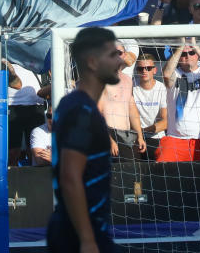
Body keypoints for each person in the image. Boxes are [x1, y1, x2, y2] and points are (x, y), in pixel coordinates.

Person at [46, 27, 125, 253]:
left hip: (80, 231)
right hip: (77, 235)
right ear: (92, 62)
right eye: (112, 55)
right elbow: (70, 175)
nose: (120, 61)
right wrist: (87, 240)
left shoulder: (77, 105)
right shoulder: (81, 110)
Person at [156, 42, 200, 163]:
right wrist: (181, 46)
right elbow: (166, 75)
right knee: (162, 174)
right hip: (175, 138)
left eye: (192, 53)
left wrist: (195, 46)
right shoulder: (174, 72)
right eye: (183, 54)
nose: (187, 56)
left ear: (197, 55)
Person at [131, 54, 167, 161]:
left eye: (148, 68)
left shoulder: (162, 88)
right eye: (141, 68)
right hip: (134, 138)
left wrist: (142, 131)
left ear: (155, 70)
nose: (144, 71)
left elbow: (166, 122)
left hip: (156, 137)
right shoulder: (131, 86)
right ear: (137, 70)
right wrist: (139, 135)